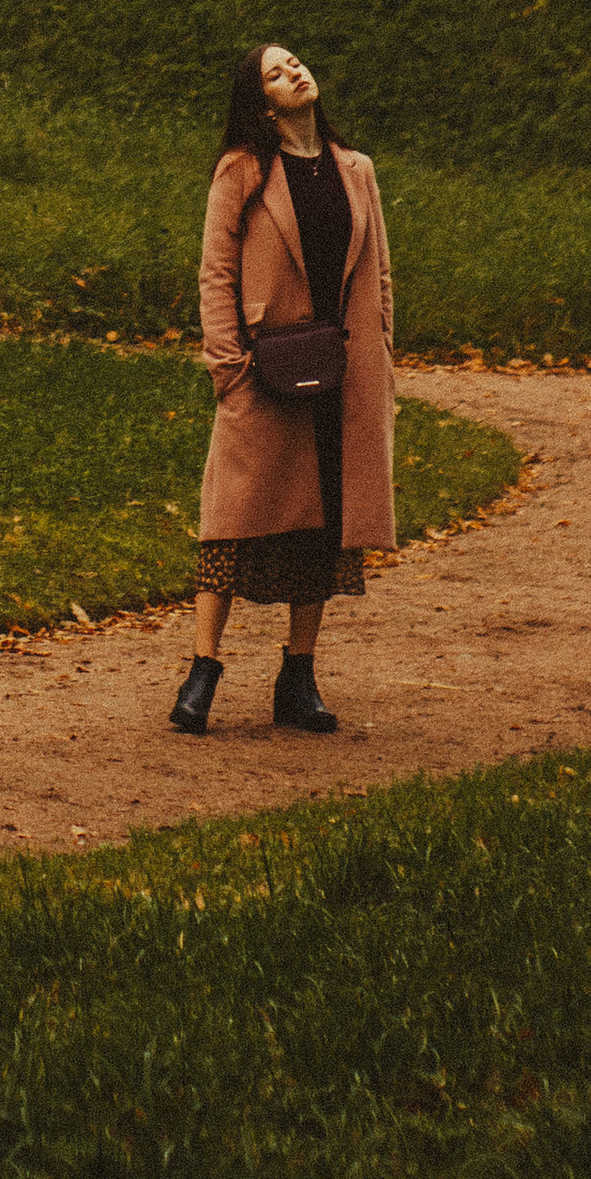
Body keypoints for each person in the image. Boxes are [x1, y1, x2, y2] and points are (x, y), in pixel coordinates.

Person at [170, 40, 397, 736]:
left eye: (295, 62)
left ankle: (298, 676)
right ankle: (202, 670)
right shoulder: (242, 171)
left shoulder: (356, 170)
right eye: (275, 72)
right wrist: (229, 368)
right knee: (232, 521)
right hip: (264, 369)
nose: (294, 71)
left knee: (323, 524)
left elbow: (379, 278)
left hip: (341, 370)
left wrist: (381, 357)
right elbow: (215, 273)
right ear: (262, 105)